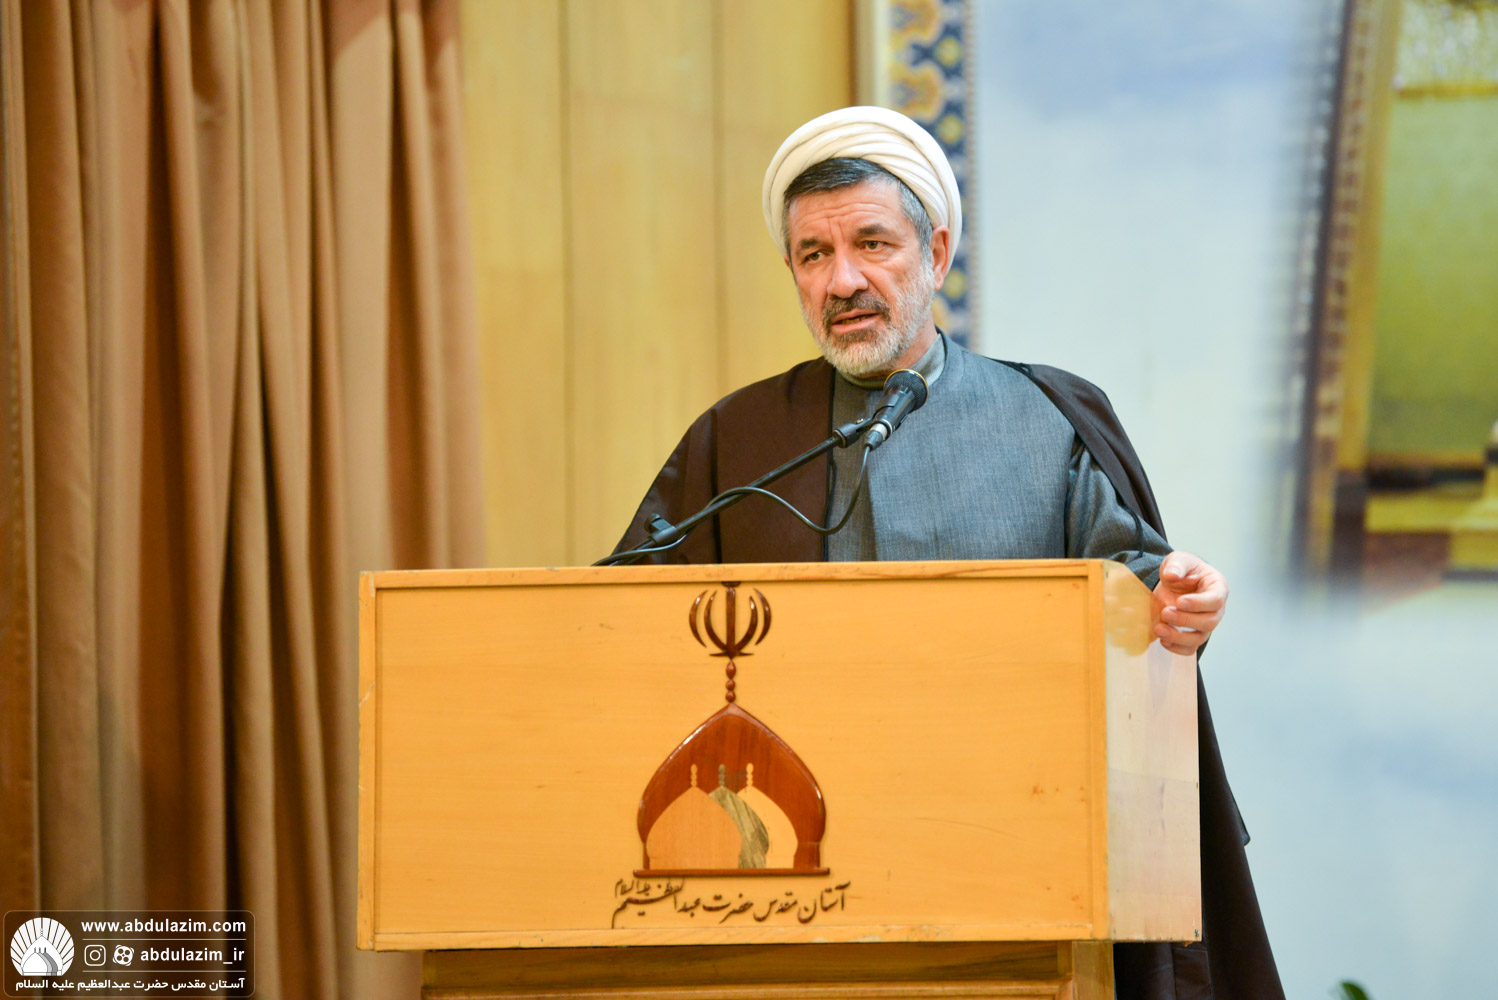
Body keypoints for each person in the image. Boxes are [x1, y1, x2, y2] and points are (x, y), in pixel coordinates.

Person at [613, 107, 1282, 1000]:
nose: (843, 280)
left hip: (1015, 871)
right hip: (793, 893)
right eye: (813, 255)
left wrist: (1181, 599)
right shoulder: (737, 440)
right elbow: (624, 619)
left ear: (934, 252)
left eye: (872, 244)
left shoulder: (1047, 418)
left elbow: (1135, 590)